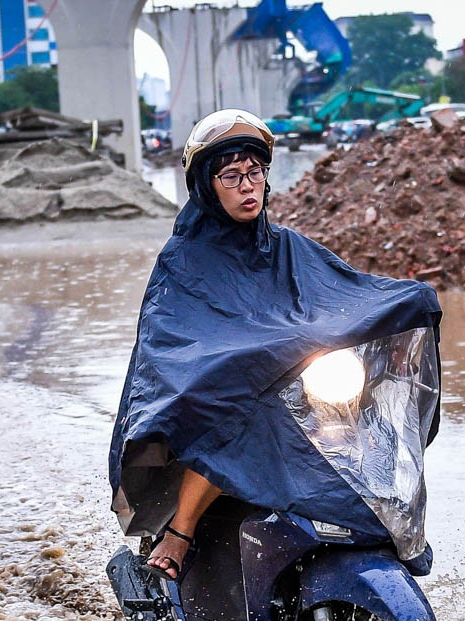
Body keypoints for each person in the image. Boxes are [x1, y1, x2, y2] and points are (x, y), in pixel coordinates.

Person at [109, 108, 441, 580]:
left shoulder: (286, 245)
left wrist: (410, 300)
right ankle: (181, 532)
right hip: (226, 392)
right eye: (231, 177)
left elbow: (342, 292)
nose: (248, 186)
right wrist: (249, 356)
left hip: (294, 385)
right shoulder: (184, 259)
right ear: (207, 184)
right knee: (229, 400)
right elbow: (175, 341)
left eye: (255, 172)